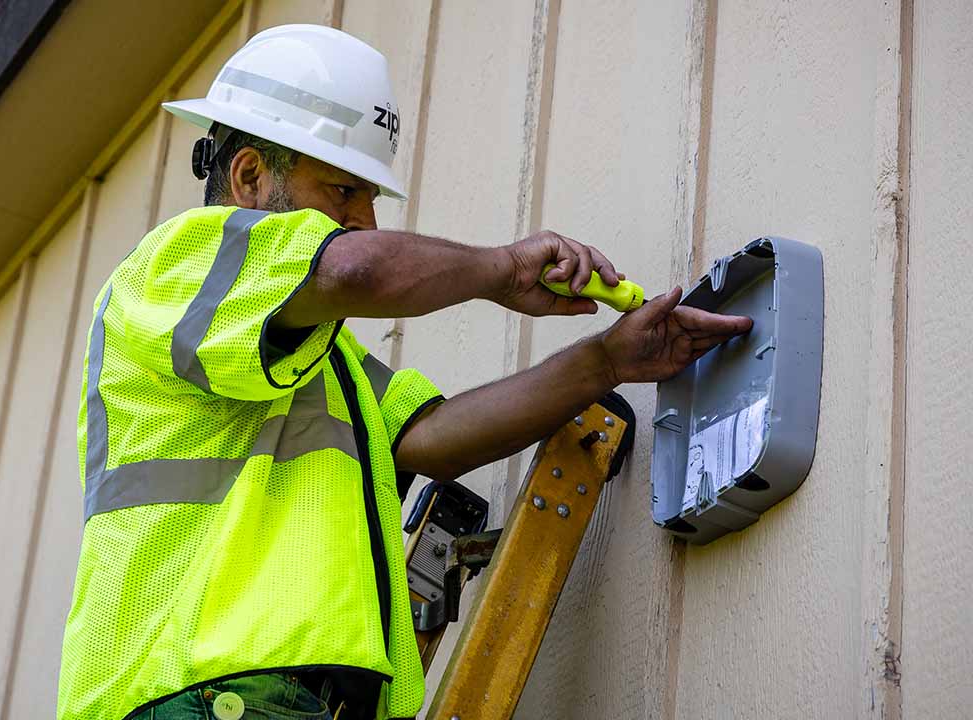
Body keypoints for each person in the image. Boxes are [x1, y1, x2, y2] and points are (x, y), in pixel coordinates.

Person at [57, 24, 751, 720]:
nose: (363, 220)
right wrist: (503, 268)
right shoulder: (170, 267)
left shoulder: (322, 360)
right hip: (200, 698)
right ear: (247, 177)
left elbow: (434, 435)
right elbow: (356, 268)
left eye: (369, 199)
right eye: (343, 191)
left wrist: (607, 359)